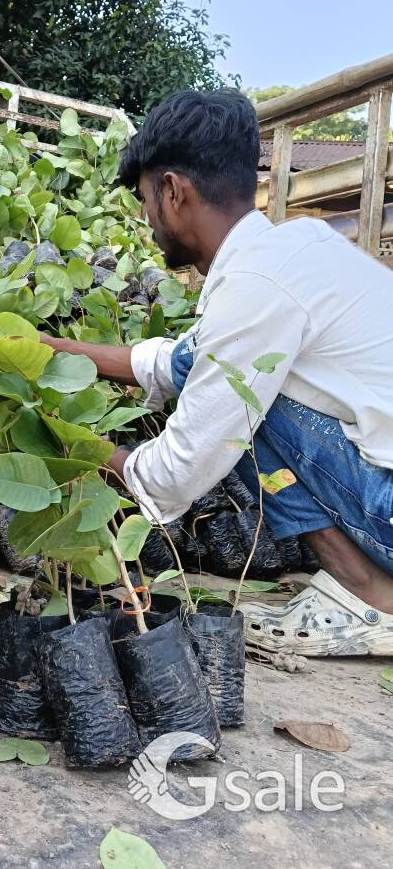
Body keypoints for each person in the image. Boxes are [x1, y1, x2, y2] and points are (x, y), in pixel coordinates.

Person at [41, 89, 393, 657]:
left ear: (174, 191)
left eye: (144, 201)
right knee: (234, 379)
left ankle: (370, 599)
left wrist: (67, 445)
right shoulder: (289, 251)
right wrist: (46, 348)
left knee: (243, 400)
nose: (146, 221)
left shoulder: (259, 286)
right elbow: (177, 360)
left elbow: (178, 471)